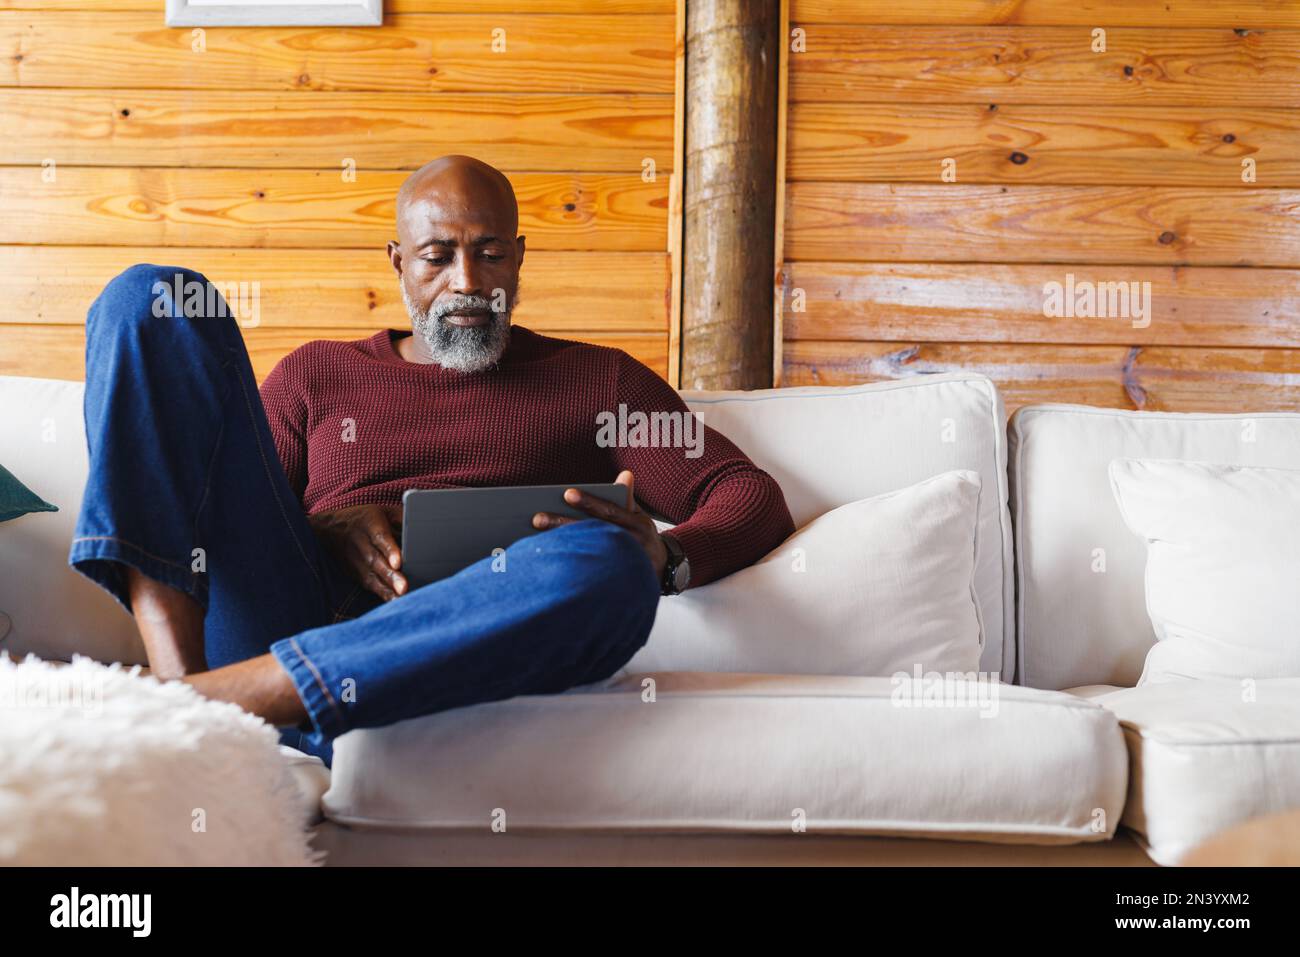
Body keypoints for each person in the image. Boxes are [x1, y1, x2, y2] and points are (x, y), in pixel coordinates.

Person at [69, 155, 794, 765]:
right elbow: (226, 513)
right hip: (296, 617)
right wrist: (329, 528)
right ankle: (182, 692)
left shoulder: (601, 381)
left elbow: (745, 493)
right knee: (154, 298)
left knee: (609, 562)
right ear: (398, 263)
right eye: (438, 256)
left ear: (519, 255)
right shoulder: (316, 375)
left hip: (470, 648)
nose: (468, 283)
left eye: (489, 253)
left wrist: (667, 557)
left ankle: (223, 702)